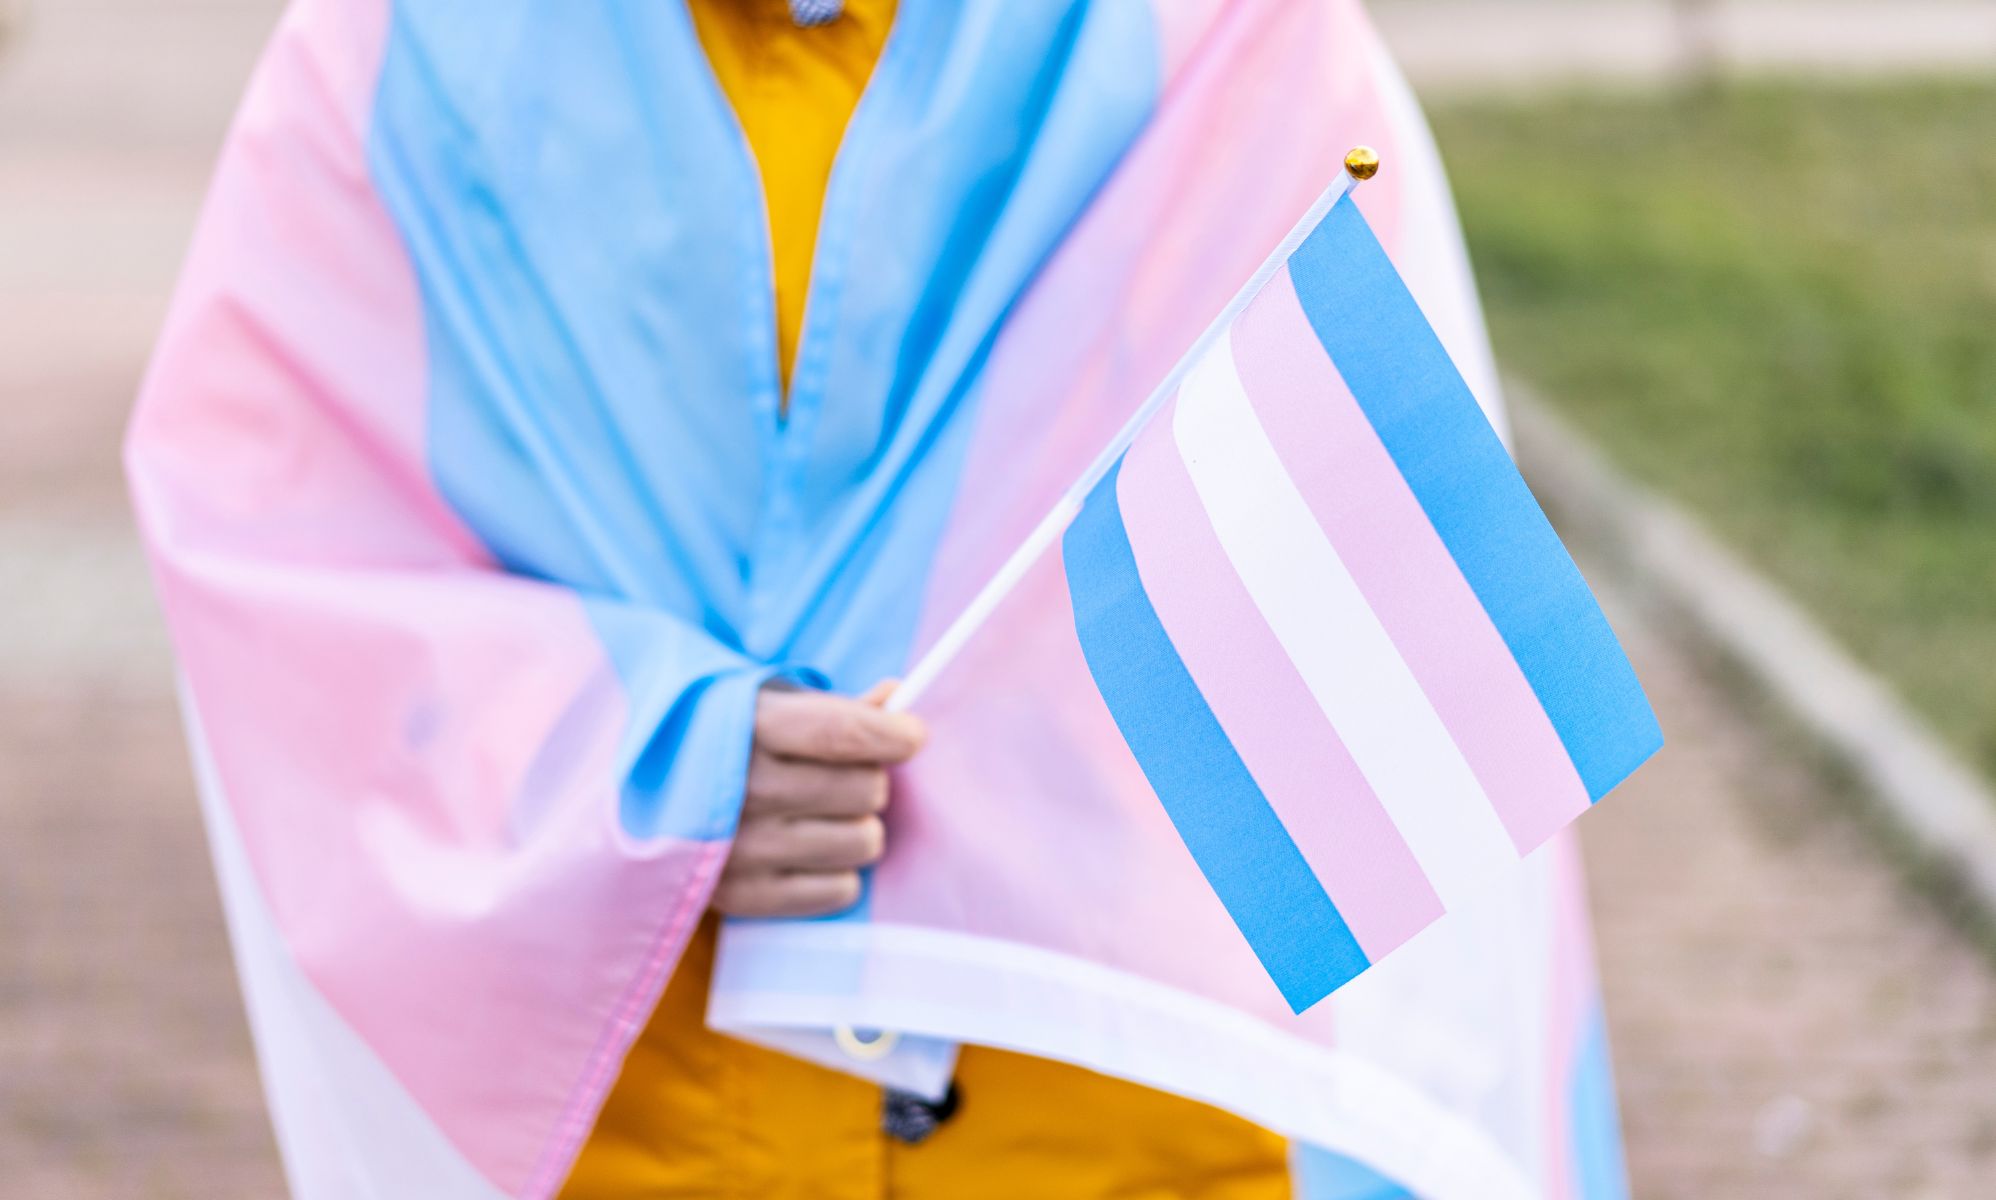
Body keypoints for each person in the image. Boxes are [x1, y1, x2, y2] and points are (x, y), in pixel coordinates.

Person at [127, 0, 1626, 1196]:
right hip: (654, 1134)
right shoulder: (399, 54)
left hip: (1109, 1128)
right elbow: (279, 553)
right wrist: (642, 759)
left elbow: (1358, 581)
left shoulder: (1230, 44)